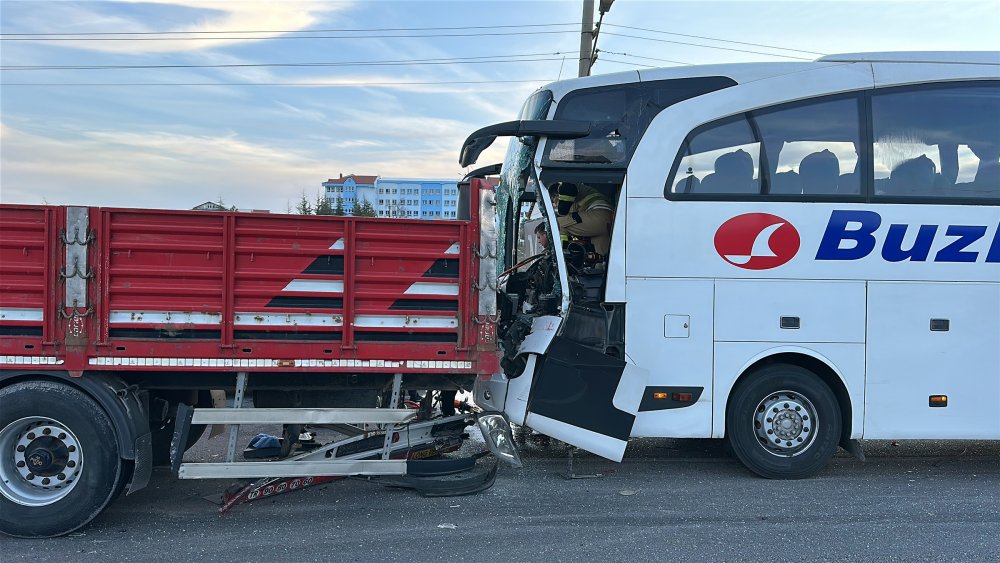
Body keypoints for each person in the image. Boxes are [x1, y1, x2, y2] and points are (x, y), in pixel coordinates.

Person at [547, 182, 613, 257]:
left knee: (558, 223)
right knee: (599, 260)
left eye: (553, 201)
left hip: (599, 215)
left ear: (556, 195)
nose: (555, 205)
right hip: (602, 222)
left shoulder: (566, 188)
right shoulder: (581, 191)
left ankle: (561, 255)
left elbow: (564, 212)